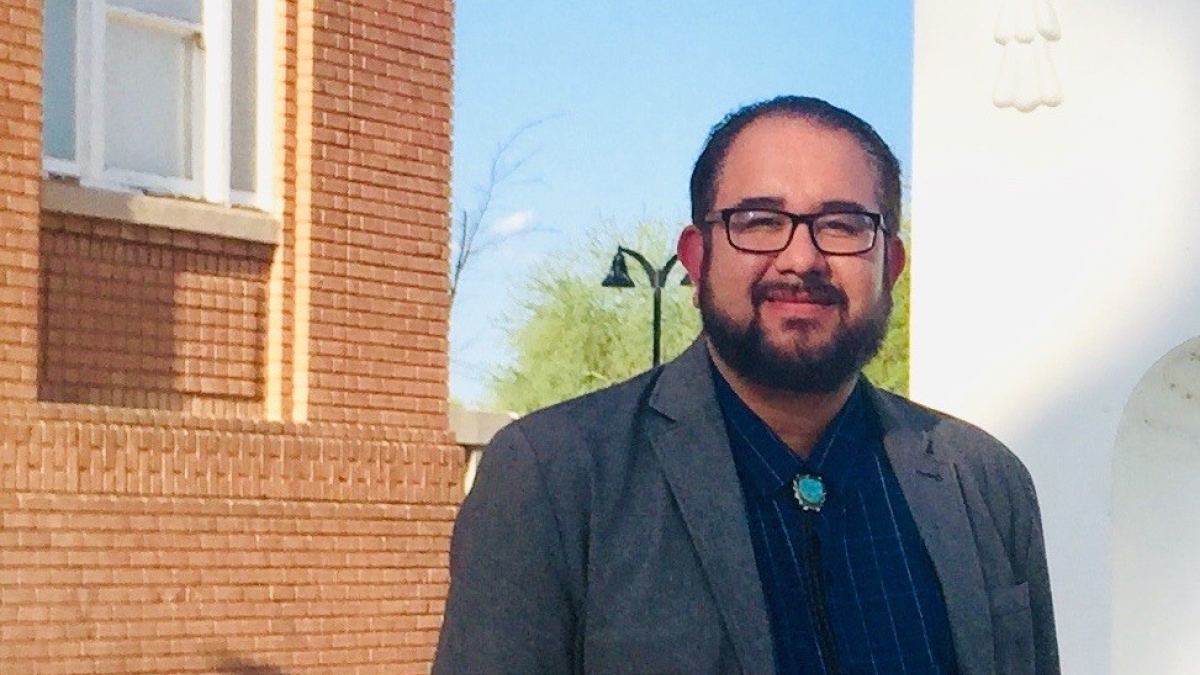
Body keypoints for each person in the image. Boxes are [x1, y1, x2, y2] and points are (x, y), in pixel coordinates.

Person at [432, 96, 1059, 675]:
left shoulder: (983, 482)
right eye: (759, 221)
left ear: (889, 264)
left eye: (842, 225)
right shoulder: (557, 479)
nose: (801, 258)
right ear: (697, 257)